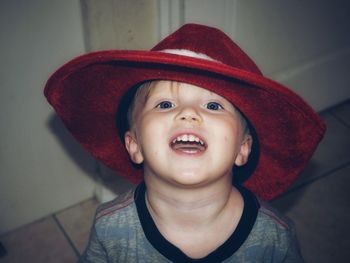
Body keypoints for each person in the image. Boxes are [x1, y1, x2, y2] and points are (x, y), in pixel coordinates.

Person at [44, 24, 326, 262]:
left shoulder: (274, 238)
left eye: (214, 106)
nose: (188, 113)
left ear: (244, 148)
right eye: (165, 104)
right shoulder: (109, 227)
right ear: (134, 144)